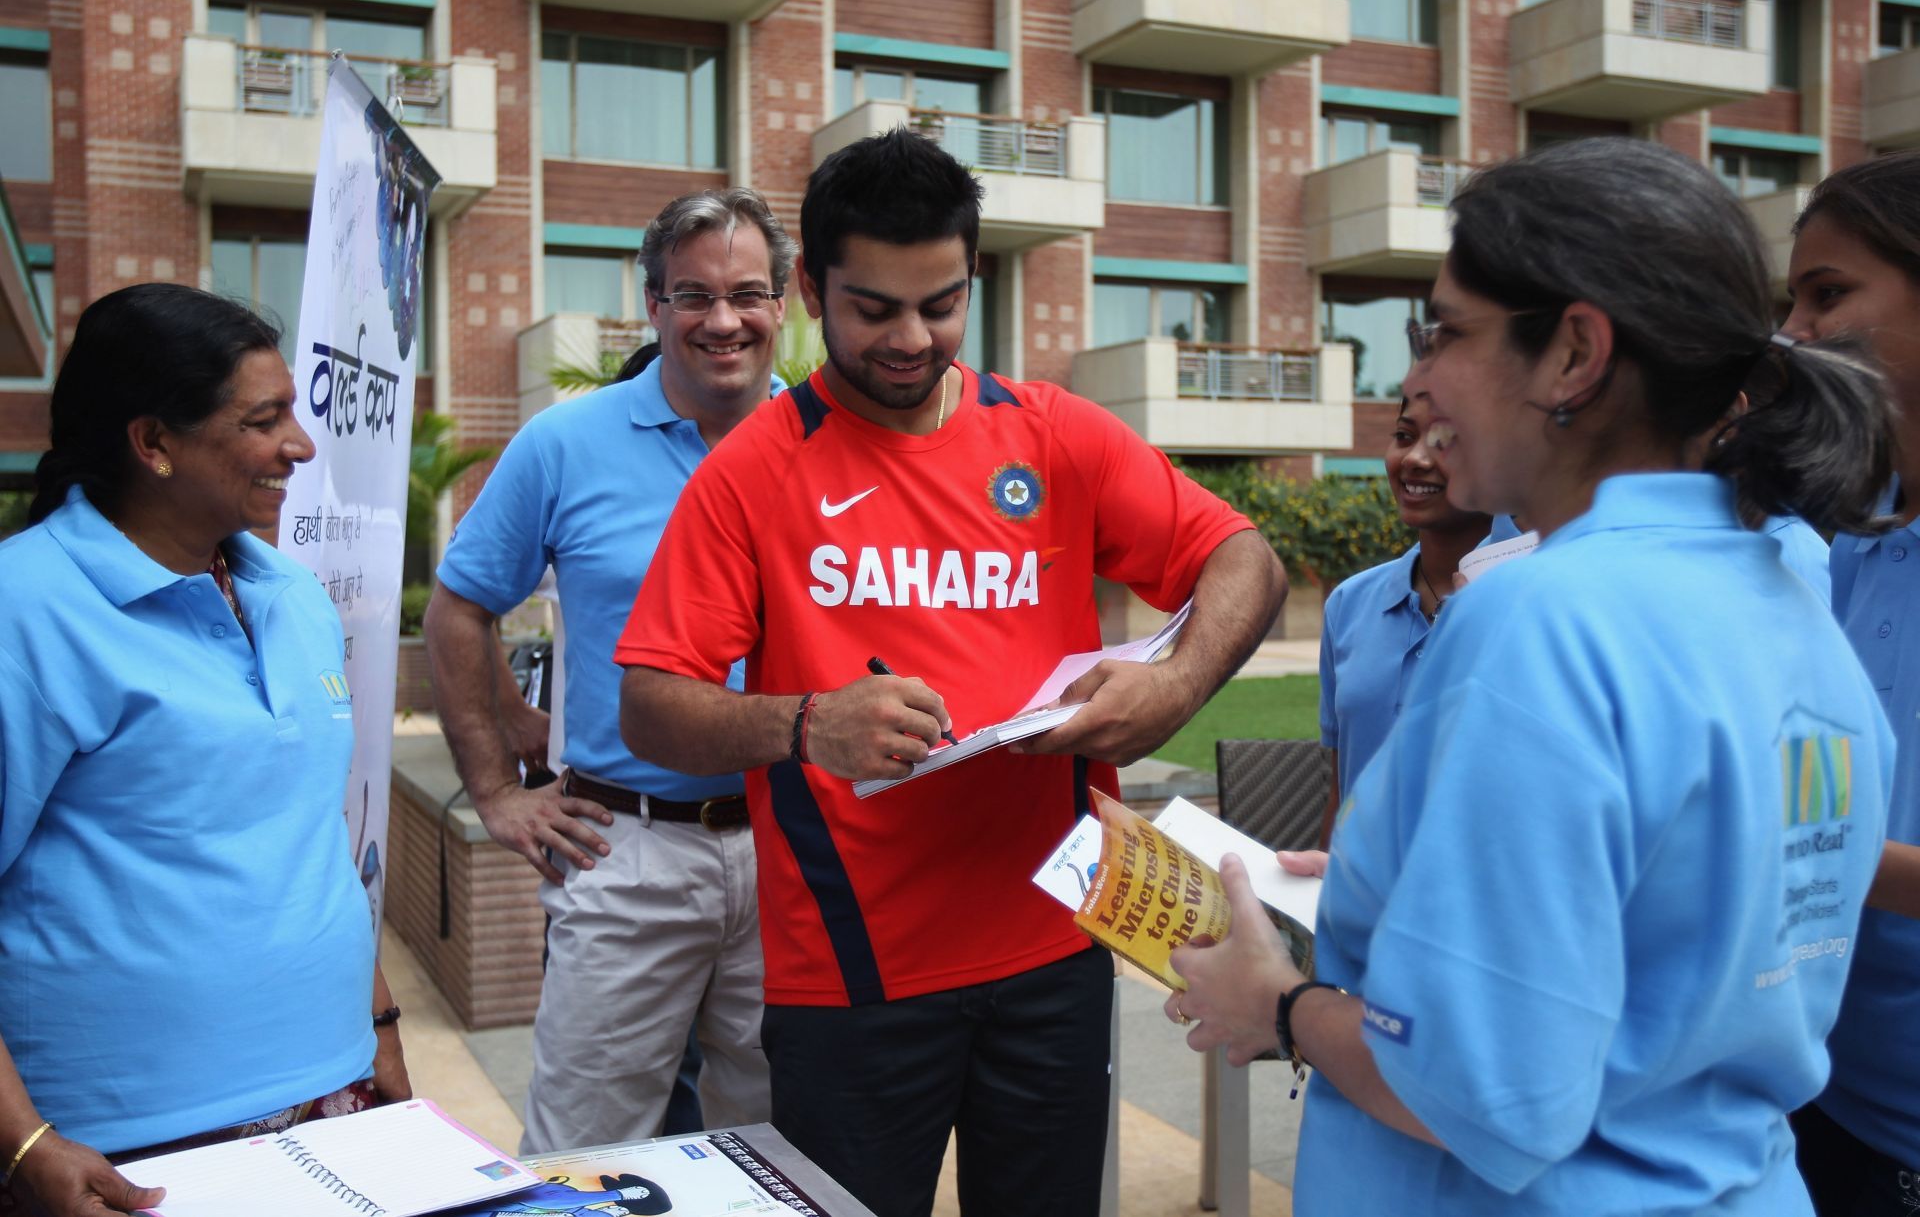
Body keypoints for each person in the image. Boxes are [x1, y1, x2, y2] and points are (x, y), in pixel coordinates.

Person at [1165, 138, 1898, 1215]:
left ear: (1573, 354)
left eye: (1446, 334)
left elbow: (1487, 1095)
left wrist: (1276, 1006)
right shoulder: (1799, 599)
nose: (1417, 380)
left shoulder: (1538, 614)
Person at [613, 128, 1285, 1217]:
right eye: (875, 308)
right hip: (853, 978)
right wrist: (806, 724)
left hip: (1059, 942)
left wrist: (1174, 687)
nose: (911, 338)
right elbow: (650, 700)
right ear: (810, 287)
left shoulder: (1051, 433)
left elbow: (1238, 556)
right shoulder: (754, 470)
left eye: (942, 303)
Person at [0, 284, 410, 1217]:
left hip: (330, 1098)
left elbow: (311, 843)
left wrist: (378, 1025)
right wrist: (24, 1141)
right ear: (153, 444)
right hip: (123, 1150)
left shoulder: (291, 597)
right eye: (263, 422)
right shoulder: (24, 609)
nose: (301, 447)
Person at [425, 188, 790, 1155]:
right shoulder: (564, 442)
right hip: (625, 851)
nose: (723, 320)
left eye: (748, 293)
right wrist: (497, 788)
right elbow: (461, 605)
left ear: (783, 306)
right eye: (694, 295)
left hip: (792, 845)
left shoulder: (826, 446)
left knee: (780, 1152)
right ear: (653, 305)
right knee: (589, 1157)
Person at [1779, 148, 1920, 1215]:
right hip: (1821, 1100)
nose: (1798, 332)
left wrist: (1799, 852)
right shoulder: (1842, 540)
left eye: (1829, 294)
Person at [1316, 396, 1492, 844]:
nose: (1415, 459)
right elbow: (1342, 789)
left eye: (1444, 440)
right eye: (1404, 436)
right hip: (1362, 906)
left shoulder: (1533, 596)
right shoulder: (1348, 604)